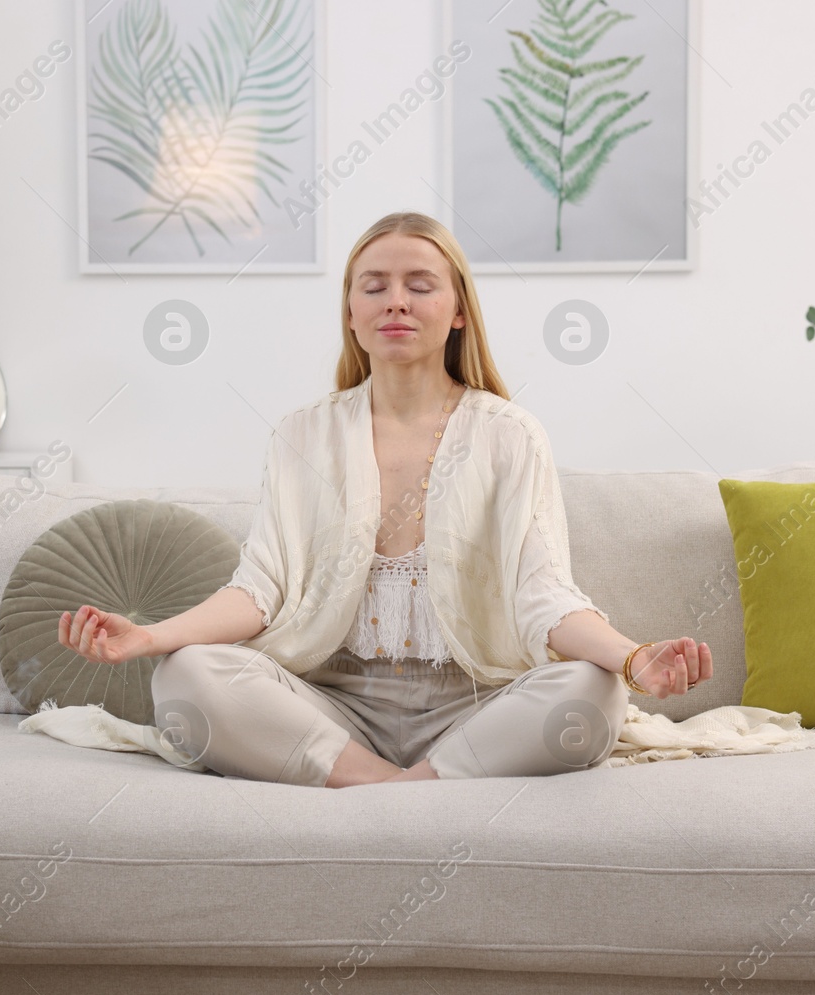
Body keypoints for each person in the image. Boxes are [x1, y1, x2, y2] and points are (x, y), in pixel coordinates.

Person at [58, 211, 712, 788]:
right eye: (374, 286)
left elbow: (545, 598)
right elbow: (259, 591)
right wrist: (149, 636)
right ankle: (390, 784)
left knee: (590, 688)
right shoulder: (301, 435)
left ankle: (410, 783)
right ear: (351, 312)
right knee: (184, 676)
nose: (395, 301)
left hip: (475, 705)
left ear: (459, 309)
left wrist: (631, 658)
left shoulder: (510, 434)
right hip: (332, 705)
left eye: (419, 285)